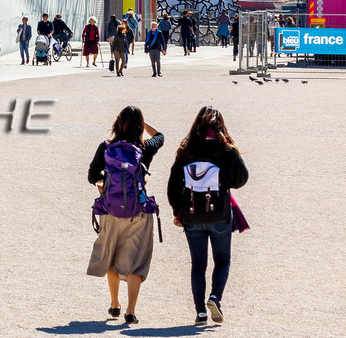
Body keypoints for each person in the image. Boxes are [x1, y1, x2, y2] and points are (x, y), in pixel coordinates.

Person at [166, 106, 250, 324]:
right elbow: (242, 178)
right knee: (222, 260)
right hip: (220, 213)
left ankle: (200, 312)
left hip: (192, 215)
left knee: (198, 265)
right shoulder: (227, 150)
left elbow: (173, 185)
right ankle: (215, 297)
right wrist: (224, 182)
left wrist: (177, 211)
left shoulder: (186, 150)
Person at [86, 106, 164, 325]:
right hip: (137, 211)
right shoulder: (144, 148)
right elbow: (160, 136)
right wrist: (143, 124)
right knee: (136, 260)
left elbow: (92, 176)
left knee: (111, 254)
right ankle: (130, 311)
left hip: (110, 210)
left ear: (117, 123)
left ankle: (114, 304)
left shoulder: (106, 147)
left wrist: (110, 179)